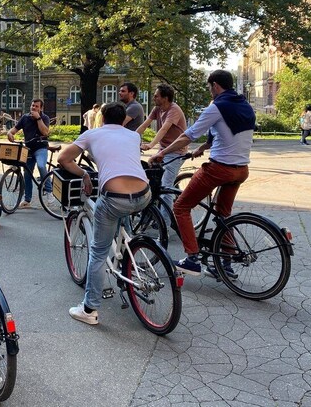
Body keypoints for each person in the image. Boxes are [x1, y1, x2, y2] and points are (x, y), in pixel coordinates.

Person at [150, 70, 255, 278]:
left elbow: (188, 135)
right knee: (223, 215)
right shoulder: (244, 105)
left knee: (180, 206)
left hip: (219, 169)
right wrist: (203, 147)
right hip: (241, 170)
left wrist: (161, 153)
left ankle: (191, 259)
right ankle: (226, 263)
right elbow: (228, 132)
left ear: (215, 85)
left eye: (209, 87)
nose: (210, 91)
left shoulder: (216, 107)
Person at [58, 102, 151, 325]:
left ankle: (89, 309)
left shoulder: (92, 134)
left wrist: (84, 174)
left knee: (99, 252)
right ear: (123, 119)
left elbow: (63, 158)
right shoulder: (133, 136)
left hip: (114, 199)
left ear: (102, 118)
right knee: (123, 212)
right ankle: (126, 259)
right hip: (144, 194)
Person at [136, 84, 188, 209]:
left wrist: (150, 144)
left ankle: (165, 221)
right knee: (152, 180)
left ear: (165, 98)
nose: (154, 98)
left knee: (165, 186)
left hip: (176, 151)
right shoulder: (157, 109)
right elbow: (144, 125)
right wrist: (130, 138)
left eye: (156, 96)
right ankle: (155, 213)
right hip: (163, 150)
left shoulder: (174, 109)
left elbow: (164, 129)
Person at [7, 98, 52, 208]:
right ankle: (27, 199)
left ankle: (49, 192)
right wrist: (9, 133)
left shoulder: (44, 118)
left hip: (41, 147)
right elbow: (14, 129)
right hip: (28, 149)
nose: (33, 108)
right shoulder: (25, 118)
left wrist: (38, 119)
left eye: (36, 106)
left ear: (41, 108)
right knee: (27, 173)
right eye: (32, 105)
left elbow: (45, 132)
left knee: (41, 166)